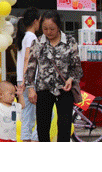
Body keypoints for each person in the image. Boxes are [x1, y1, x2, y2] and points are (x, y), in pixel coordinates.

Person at [24, 10, 83, 142]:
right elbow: (31, 67)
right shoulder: (38, 42)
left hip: (64, 88)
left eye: (52, 29)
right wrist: (30, 88)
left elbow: (77, 67)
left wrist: (70, 79)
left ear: (58, 27)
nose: (48, 32)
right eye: (45, 28)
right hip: (43, 88)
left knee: (64, 126)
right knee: (42, 126)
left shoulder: (70, 41)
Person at [12, 7, 40, 141]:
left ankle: (28, 139)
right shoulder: (31, 37)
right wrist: (26, 81)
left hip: (23, 79)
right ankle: (34, 139)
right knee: (41, 113)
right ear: (35, 21)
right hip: (29, 81)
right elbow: (27, 59)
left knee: (27, 114)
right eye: (39, 21)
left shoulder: (24, 37)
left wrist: (22, 80)